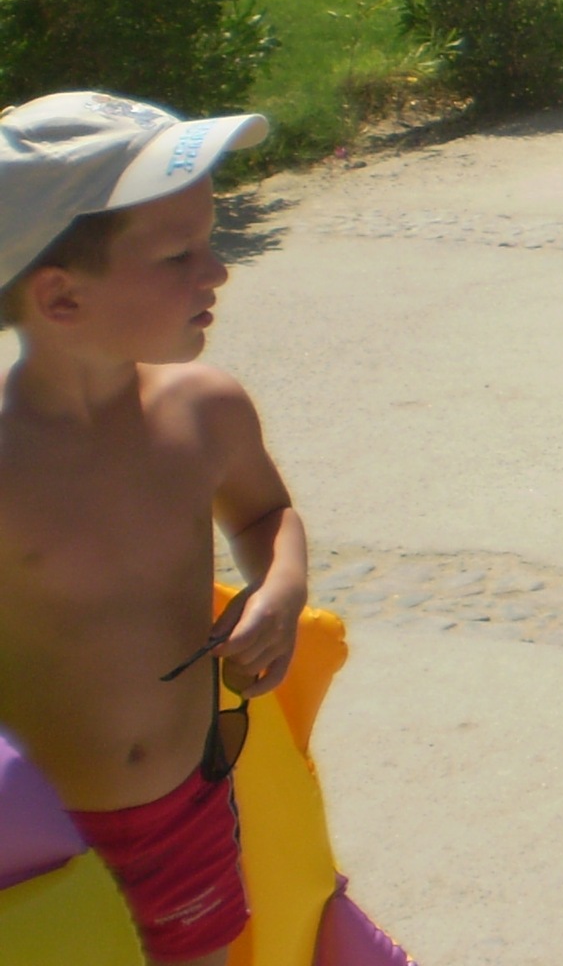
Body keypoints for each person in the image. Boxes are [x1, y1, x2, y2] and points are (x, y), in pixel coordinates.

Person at [0, 92, 306, 966]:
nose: (218, 272)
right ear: (61, 297)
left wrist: (280, 589)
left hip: (188, 806)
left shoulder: (206, 410)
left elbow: (265, 513)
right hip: (40, 838)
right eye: (179, 255)